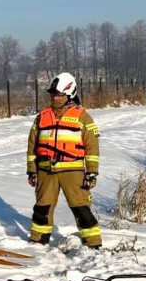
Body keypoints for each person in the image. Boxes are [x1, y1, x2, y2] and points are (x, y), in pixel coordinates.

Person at [26, 72, 101, 248]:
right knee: (42, 208)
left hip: (73, 172)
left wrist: (91, 172)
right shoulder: (42, 117)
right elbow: (32, 145)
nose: (55, 98)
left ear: (70, 94)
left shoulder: (82, 116)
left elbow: (92, 147)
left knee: (81, 207)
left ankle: (93, 243)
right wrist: (31, 169)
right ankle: (38, 240)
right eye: (53, 94)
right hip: (46, 171)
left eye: (59, 94)